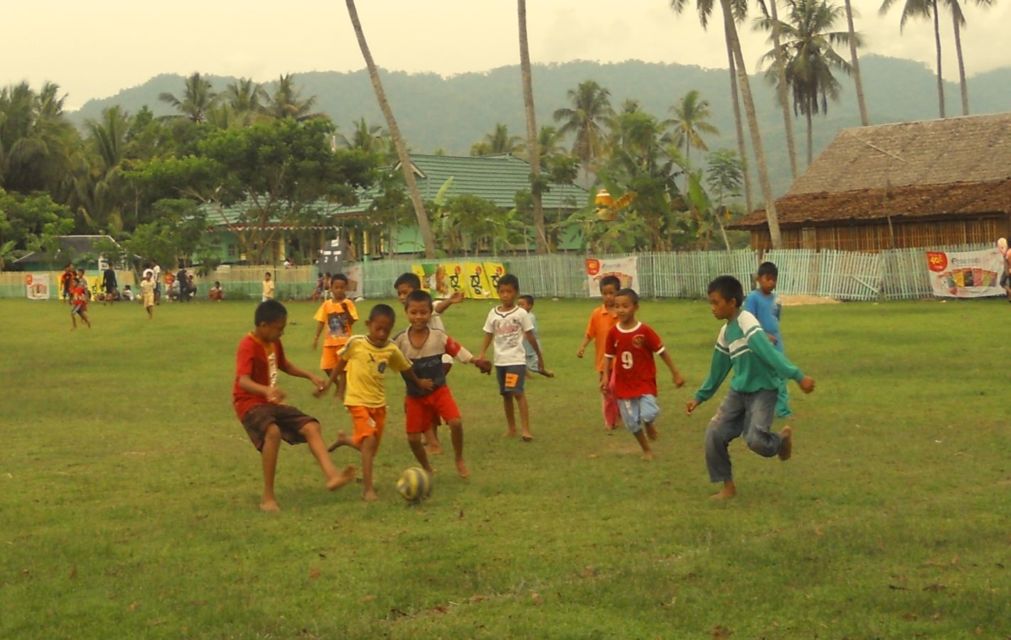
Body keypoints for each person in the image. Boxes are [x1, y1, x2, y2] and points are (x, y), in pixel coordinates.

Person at [686, 276, 816, 500]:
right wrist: (700, 397)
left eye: (716, 302)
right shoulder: (726, 332)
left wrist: (797, 376)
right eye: (711, 303)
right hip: (738, 392)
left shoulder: (747, 321)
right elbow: (718, 369)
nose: (712, 308)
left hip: (764, 390)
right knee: (713, 433)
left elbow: (768, 352)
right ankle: (727, 486)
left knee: (756, 440)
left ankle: (780, 442)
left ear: (732, 302)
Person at [233, 300, 356, 512]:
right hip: (248, 402)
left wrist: (310, 376)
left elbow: (284, 364)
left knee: (311, 427)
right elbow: (242, 380)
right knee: (272, 432)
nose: (282, 333)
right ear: (263, 325)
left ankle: (332, 476)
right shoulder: (248, 345)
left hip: (269, 401)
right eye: (279, 328)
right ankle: (268, 497)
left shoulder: (273, 342)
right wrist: (266, 390)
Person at [318, 304, 433, 502]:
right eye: (377, 328)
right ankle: (368, 489)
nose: (381, 333)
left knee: (370, 449)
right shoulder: (356, 342)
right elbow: (342, 361)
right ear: (368, 325)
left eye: (386, 330)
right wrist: (330, 384)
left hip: (378, 404)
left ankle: (345, 440)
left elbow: (405, 368)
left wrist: (419, 381)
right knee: (369, 442)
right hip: (357, 401)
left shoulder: (391, 349)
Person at [393, 290, 491, 478]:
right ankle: (427, 467)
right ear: (406, 312)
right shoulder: (400, 340)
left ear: (431, 313)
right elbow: (388, 358)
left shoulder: (438, 336)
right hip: (415, 396)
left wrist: (476, 361)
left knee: (455, 422)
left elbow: (457, 350)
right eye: (414, 312)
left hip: (439, 390)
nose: (418, 317)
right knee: (413, 438)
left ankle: (459, 458)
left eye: (423, 312)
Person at [601, 289, 685, 460]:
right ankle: (646, 450)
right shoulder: (613, 333)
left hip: (644, 381)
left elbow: (662, 351)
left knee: (649, 413)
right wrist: (605, 377)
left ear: (636, 307)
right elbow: (608, 356)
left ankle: (649, 424)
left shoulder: (645, 331)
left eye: (625, 306)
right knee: (631, 423)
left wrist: (675, 373)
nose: (621, 310)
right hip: (623, 385)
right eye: (617, 306)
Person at [393, 272, 465, 453]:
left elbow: (438, 307)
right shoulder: (414, 310)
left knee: (425, 398)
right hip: (424, 361)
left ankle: (432, 440)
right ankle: (431, 437)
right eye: (399, 293)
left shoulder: (425, 306)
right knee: (424, 398)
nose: (402, 297)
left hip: (438, 359)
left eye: (405, 292)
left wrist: (450, 301)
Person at [478, 274, 548, 442]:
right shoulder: (493, 313)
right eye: (502, 292)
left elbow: (530, 336)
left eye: (509, 292)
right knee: (506, 394)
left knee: (517, 392)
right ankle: (511, 428)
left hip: (515, 360)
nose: (505, 295)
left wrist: (539, 356)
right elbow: (488, 334)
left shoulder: (521, 313)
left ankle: (525, 429)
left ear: (515, 293)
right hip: (500, 360)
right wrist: (482, 353)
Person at [743, 262, 791, 419]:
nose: (772, 282)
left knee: (780, 374)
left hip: (776, 344)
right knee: (758, 377)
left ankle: (783, 411)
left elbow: (777, 318)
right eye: (768, 279)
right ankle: (751, 408)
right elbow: (748, 320)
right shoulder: (752, 298)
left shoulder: (776, 299)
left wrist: (774, 335)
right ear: (759, 279)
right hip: (760, 343)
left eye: (774, 279)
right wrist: (763, 335)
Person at [577, 275, 621, 432]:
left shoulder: (622, 313)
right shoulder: (597, 313)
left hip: (620, 360)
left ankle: (620, 416)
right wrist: (582, 347)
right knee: (605, 389)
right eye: (605, 293)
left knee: (618, 389)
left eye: (611, 293)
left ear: (618, 293)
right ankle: (609, 420)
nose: (608, 297)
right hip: (603, 361)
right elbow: (590, 333)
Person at [312, 273, 358, 393]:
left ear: (346, 288)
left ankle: (341, 392)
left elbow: (352, 321)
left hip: (344, 342)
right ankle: (337, 385)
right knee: (326, 367)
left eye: (342, 288)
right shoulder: (326, 305)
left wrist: (346, 310)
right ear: (331, 288)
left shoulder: (348, 303)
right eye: (336, 287)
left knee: (343, 369)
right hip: (329, 342)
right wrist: (316, 337)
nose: (339, 290)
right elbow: (321, 321)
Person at [517, 294, 548, 376]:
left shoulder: (530, 317)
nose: (519, 307)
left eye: (522, 305)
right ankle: (527, 376)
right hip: (523, 344)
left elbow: (527, 332)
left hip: (531, 344)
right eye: (518, 305)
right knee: (520, 361)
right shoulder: (518, 316)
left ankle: (545, 372)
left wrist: (520, 341)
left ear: (530, 306)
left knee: (533, 365)